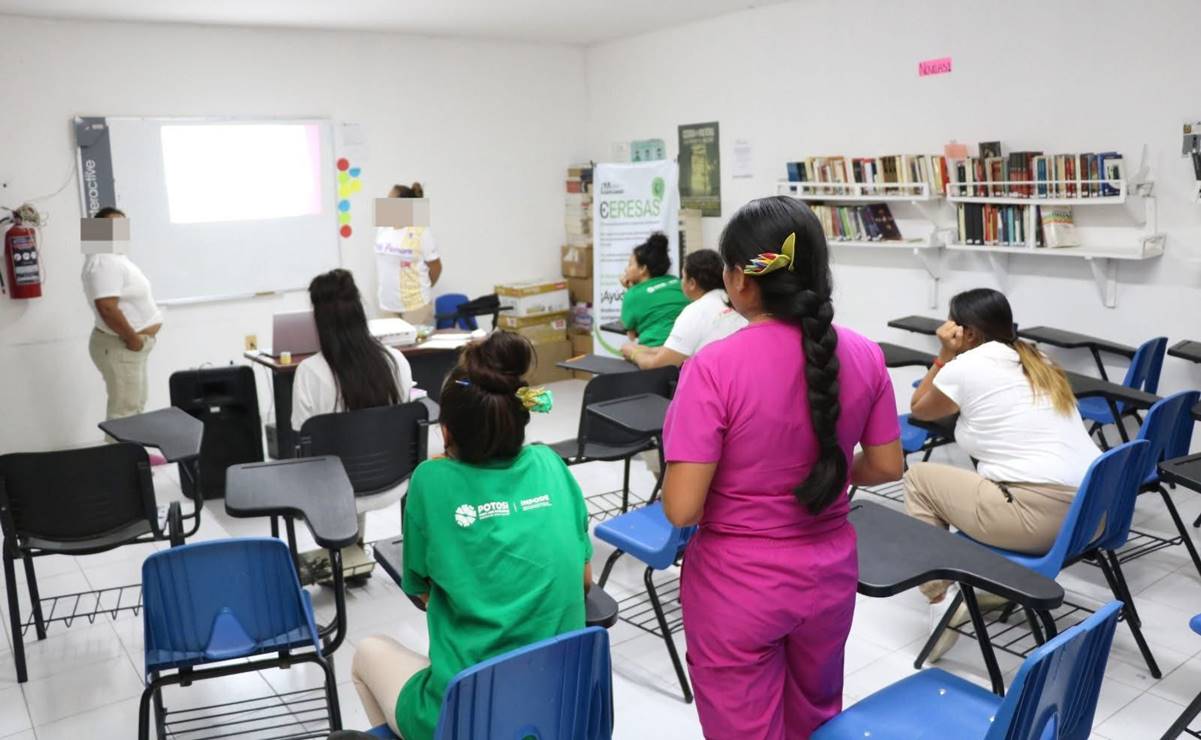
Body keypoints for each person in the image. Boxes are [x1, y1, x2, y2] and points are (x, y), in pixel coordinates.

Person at [661, 196, 904, 739]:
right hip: (830, 574)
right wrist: (831, 472)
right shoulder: (865, 354)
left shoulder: (714, 367)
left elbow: (681, 507)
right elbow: (888, 464)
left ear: (741, 281)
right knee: (816, 718)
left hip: (737, 584)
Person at [351, 332, 593, 740]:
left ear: (447, 432)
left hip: (469, 717)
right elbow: (584, 581)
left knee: (365, 655)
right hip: (563, 711)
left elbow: (424, 594)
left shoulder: (431, 479)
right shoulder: (551, 464)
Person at [905, 287, 1101, 659]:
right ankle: (995, 581)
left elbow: (920, 410)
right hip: (1092, 516)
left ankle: (941, 598)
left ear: (969, 333)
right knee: (986, 479)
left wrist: (945, 354)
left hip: (1039, 521)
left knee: (918, 478)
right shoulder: (1037, 358)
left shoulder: (968, 365)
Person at [292, 269, 413, 541]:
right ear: (360, 310)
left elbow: (301, 437)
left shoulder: (309, 372)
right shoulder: (396, 361)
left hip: (335, 489)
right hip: (394, 480)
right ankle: (354, 551)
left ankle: (343, 552)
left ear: (319, 318)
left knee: (328, 458)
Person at [82, 206, 163, 424]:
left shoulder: (114, 258)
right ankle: (120, 457)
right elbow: (107, 308)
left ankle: (135, 455)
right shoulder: (104, 261)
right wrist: (133, 339)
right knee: (124, 415)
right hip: (122, 346)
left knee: (134, 406)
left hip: (128, 347)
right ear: (98, 231)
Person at [620, 249, 746, 368]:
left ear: (692, 284)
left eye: (683, 277)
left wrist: (632, 352)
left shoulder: (695, 311)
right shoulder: (734, 302)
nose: (680, 282)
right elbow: (678, 349)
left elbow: (658, 365)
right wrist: (648, 350)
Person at [375, 182, 443, 327]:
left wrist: (422, 288)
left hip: (415, 307)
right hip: (387, 305)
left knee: (415, 349)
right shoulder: (383, 228)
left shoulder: (421, 231)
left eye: (390, 200)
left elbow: (436, 267)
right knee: (389, 349)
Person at [619, 232, 689, 348]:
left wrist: (630, 290)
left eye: (630, 264)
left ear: (643, 269)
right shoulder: (678, 282)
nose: (626, 269)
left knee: (626, 348)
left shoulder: (633, 295)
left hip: (655, 353)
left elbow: (629, 329)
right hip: (686, 350)